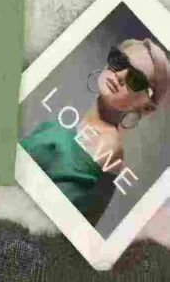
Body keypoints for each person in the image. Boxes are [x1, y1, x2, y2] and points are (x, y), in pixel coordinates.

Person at [20, 38, 170, 225]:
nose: (120, 75)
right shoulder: (82, 125)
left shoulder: (107, 148)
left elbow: (38, 213)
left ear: (146, 107)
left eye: (135, 79)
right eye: (119, 61)